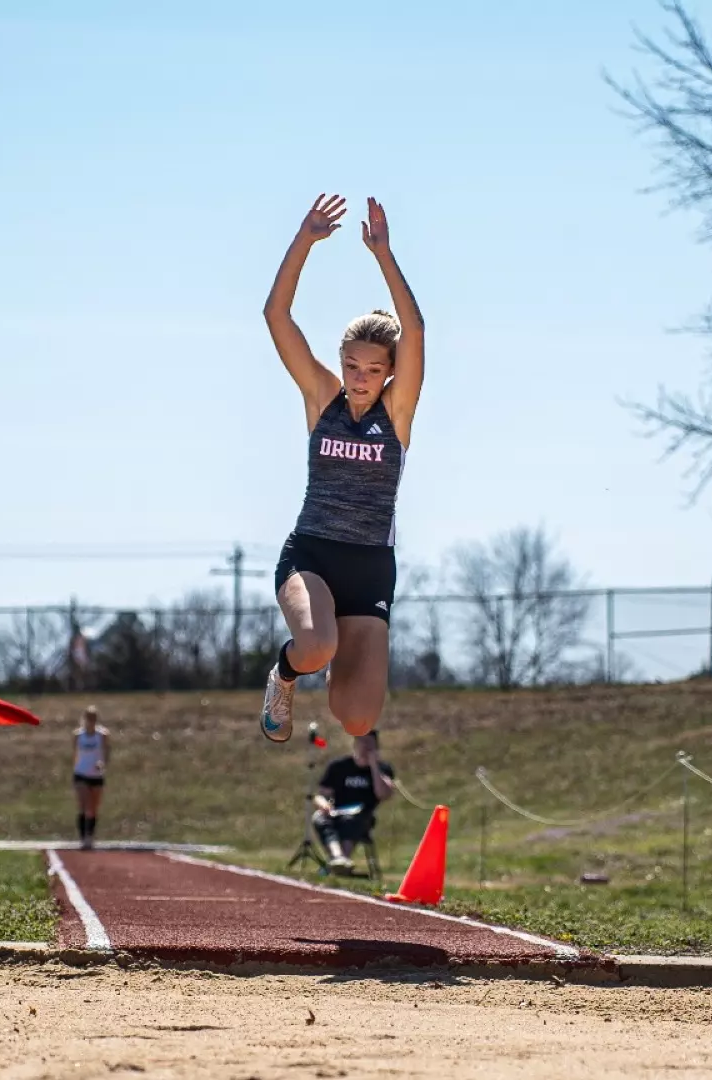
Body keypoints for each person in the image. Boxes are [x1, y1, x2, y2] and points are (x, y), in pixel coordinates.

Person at [257, 195, 425, 744]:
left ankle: (331, 659)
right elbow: (275, 316)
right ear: (341, 359)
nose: (359, 377)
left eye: (373, 370)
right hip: (314, 554)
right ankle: (286, 674)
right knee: (315, 646)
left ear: (389, 374)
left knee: (357, 719)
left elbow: (416, 330)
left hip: (371, 567)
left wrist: (383, 252)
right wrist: (305, 239)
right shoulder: (322, 398)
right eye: (352, 364)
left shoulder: (396, 414)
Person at [311, 731, 395, 874]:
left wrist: (374, 766)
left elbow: (383, 794)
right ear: (355, 743)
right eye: (363, 742)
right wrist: (323, 804)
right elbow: (320, 795)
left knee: (352, 820)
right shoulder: (338, 766)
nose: (366, 748)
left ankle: (340, 863)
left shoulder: (383, 769)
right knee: (319, 818)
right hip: (336, 811)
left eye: (370, 744)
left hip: (363, 815)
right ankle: (338, 858)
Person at [71, 706, 109, 850]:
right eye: (88, 718)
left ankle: (90, 836)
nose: (91, 722)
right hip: (81, 773)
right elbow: (75, 753)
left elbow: (106, 752)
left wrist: (102, 763)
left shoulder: (102, 735)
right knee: (84, 805)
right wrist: (76, 767)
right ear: (84, 719)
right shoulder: (78, 735)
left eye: (93, 719)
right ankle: (83, 837)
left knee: (93, 808)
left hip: (96, 775)